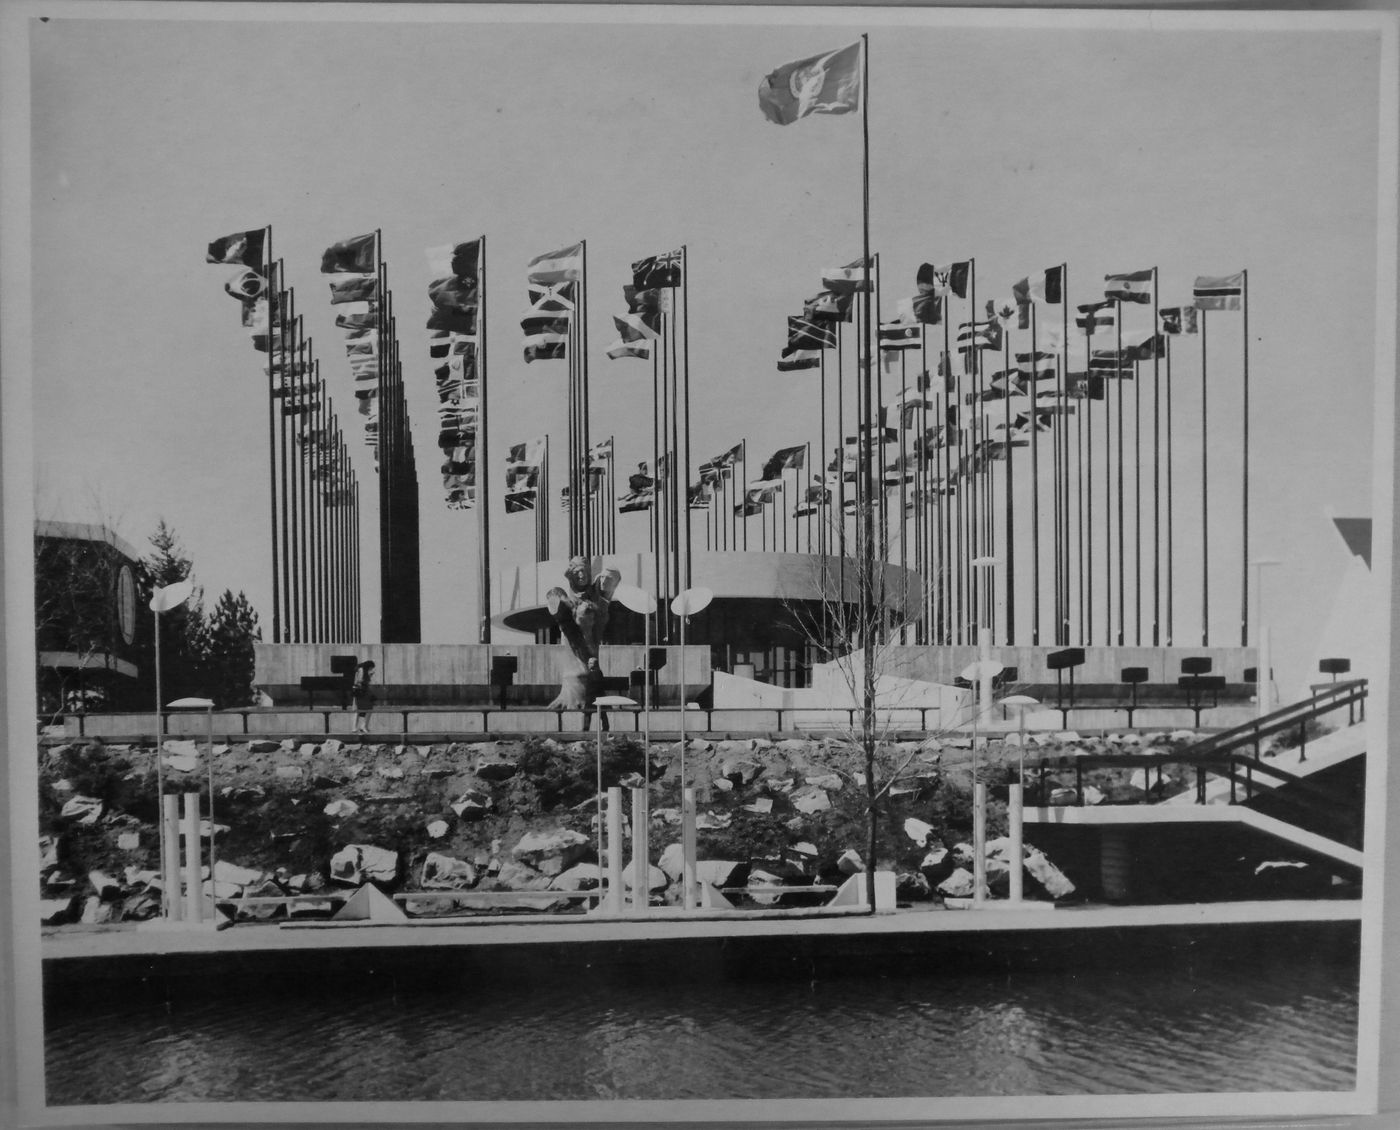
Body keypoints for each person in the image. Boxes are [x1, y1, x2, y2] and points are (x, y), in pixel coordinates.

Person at [352, 660, 375, 734]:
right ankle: (363, 726)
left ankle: (358, 727)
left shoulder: (360, 669)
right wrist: (369, 675)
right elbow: (360, 681)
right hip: (362, 692)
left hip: (361, 692)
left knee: (359, 710)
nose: (371, 669)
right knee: (367, 709)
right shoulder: (361, 670)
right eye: (371, 668)